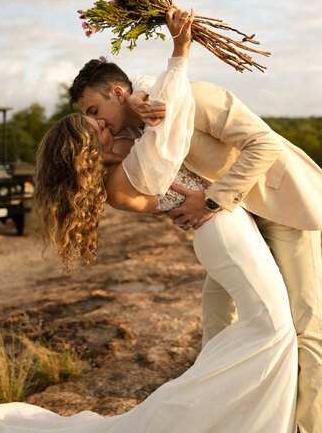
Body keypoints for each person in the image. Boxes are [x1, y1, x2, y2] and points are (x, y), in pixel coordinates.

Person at [0, 9, 298, 432]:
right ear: (89, 148)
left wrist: (137, 98)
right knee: (274, 330)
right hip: (221, 232)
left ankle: (221, 407)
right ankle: (197, 414)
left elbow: (143, 111)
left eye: (96, 112)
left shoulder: (125, 149)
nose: (103, 121)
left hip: (226, 228)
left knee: (265, 329)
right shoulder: (125, 177)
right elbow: (168, 130)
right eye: (94, 123)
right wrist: (179, 50)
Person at [69, 25, 322, 433]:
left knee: (307, 327)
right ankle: (215, 416)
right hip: (233, 221)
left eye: (95, 111)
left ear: (117, 93)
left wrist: (208, 200)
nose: (95, 122)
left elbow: (267, 144)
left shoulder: (197, 99)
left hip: (281, 206)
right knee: (218, 318)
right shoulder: (133, 129)